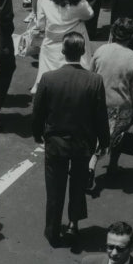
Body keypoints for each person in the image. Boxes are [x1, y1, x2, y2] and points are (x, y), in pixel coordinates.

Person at [33, 32, 108, 247]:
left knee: (54, 189)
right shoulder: (95, 80)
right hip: (83, 144)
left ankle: (53, 231)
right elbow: (100, 115)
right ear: (83, 52)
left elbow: (38, 112)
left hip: (56, 144)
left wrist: (37, 133)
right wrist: (104, 142)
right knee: (77, 186)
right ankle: (74, 224)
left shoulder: (49, 78)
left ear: (63, 51)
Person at [90, 18, 133, 179]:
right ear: (132, 36)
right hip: (120, 107)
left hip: (98, 103)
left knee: (94, 136)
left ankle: (90, 163)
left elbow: (91, 75)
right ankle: (112, 165)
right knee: (118, 138)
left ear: (113, 32)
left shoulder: (101, 51)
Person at [32, 0, 93, 93]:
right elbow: (89, 15)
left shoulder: (46, 0)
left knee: (47, 74)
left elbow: (40, 24)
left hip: (50, 43)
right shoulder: (80, 3)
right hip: (73, 43)